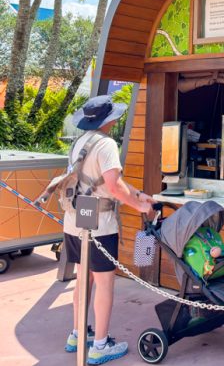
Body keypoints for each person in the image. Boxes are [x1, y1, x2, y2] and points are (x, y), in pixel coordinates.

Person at [63, 95, 156, 364]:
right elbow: (113, 187)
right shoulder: (106, 145)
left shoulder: (80, 141)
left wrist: (137, 193)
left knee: (83, 279)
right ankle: (100, 346)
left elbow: (103, 181)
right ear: (109, 120)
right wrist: (140, 206)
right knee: (104, 283)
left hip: (76, 217)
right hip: (100, 223)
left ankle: (77, 334)